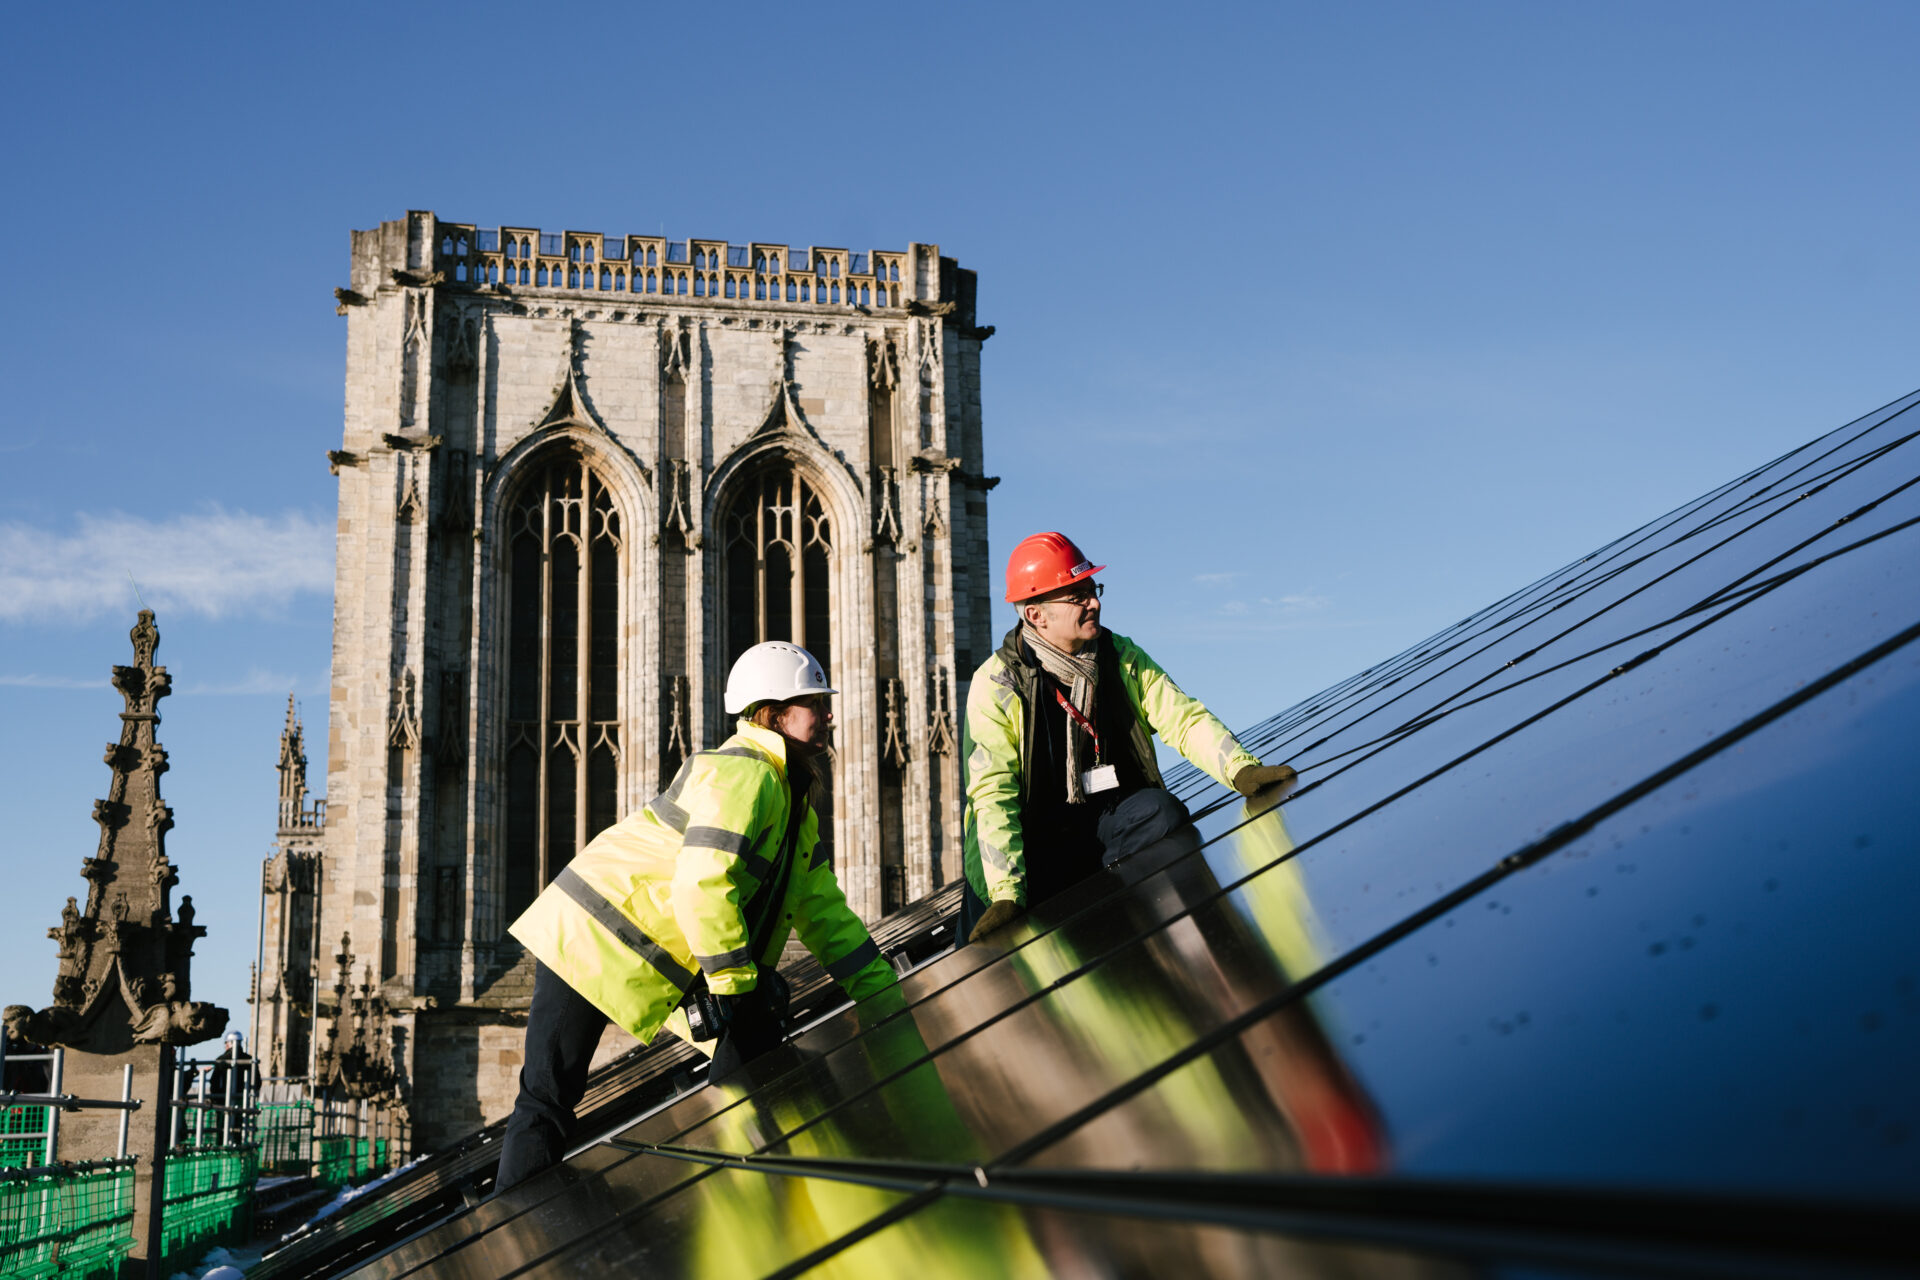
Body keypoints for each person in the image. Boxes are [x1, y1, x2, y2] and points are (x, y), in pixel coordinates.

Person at [495, 641, 898, 1194]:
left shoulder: (792, 796)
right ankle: (520, 1226)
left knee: (749, 1055)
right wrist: (735, 990)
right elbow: (703, 886)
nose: (829, 714)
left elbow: (823, 911)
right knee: (547, 1098)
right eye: (813, 703)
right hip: (585, 937)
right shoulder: (747, 774)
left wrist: (883, 993)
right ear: (774, 713)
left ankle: (744, 1192)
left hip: (633, 946)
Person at [959, 532, 1297, 944]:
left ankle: (1194, 945)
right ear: (1036, 616)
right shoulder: (997, 685)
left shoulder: (1119, 656)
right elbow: (993, 793)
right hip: (1034, 852)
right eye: (1077, 596)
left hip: (1108, 822)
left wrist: (1241, 770)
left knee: (1159, 811)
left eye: (1093, 590)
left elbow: (1183, 719)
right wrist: (1007, 894)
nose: (1094, 603)